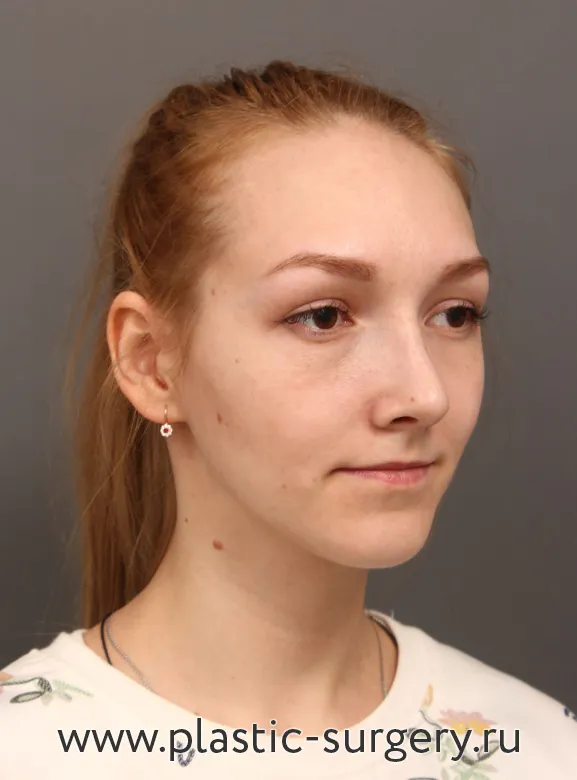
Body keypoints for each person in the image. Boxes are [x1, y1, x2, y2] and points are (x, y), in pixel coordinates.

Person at [1, 59, 575, 778]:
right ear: (150, 363)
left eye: (455, 314)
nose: (424, 393)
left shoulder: (543, 750)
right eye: (324, 316)